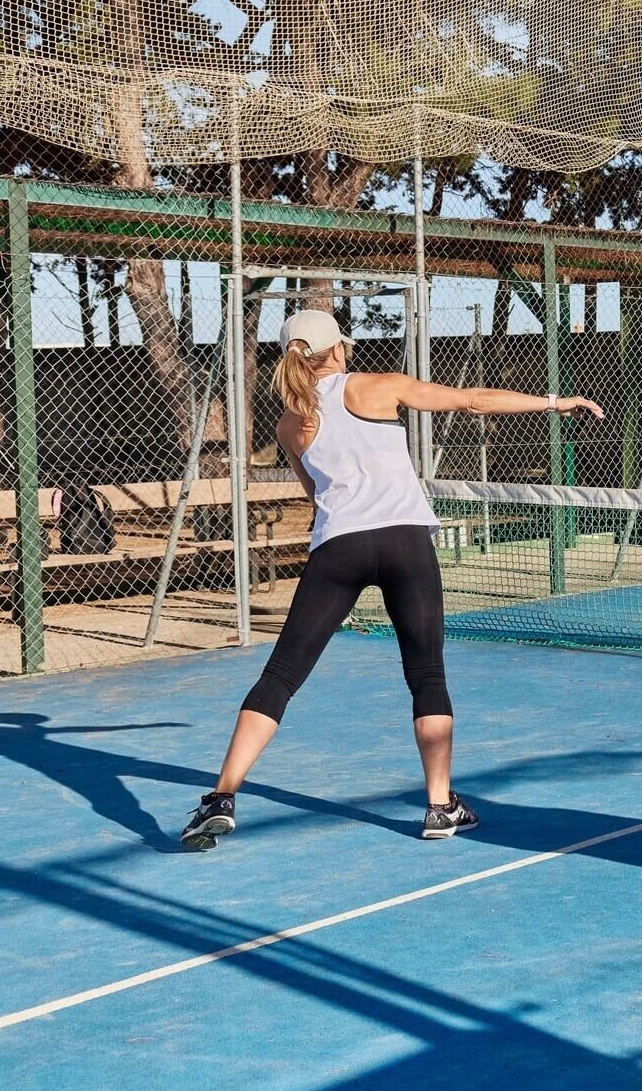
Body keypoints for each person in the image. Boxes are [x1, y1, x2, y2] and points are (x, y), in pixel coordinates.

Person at [180, 309, 604, 850]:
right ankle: (440, 807)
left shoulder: (290, 424)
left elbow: (317, 497)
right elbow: (472, 400)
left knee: (280, 676)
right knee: (427, 676)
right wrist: (555, 402)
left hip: (338, 548)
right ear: (338, 349)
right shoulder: (380, 387)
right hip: (405, 544)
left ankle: (221, 797)